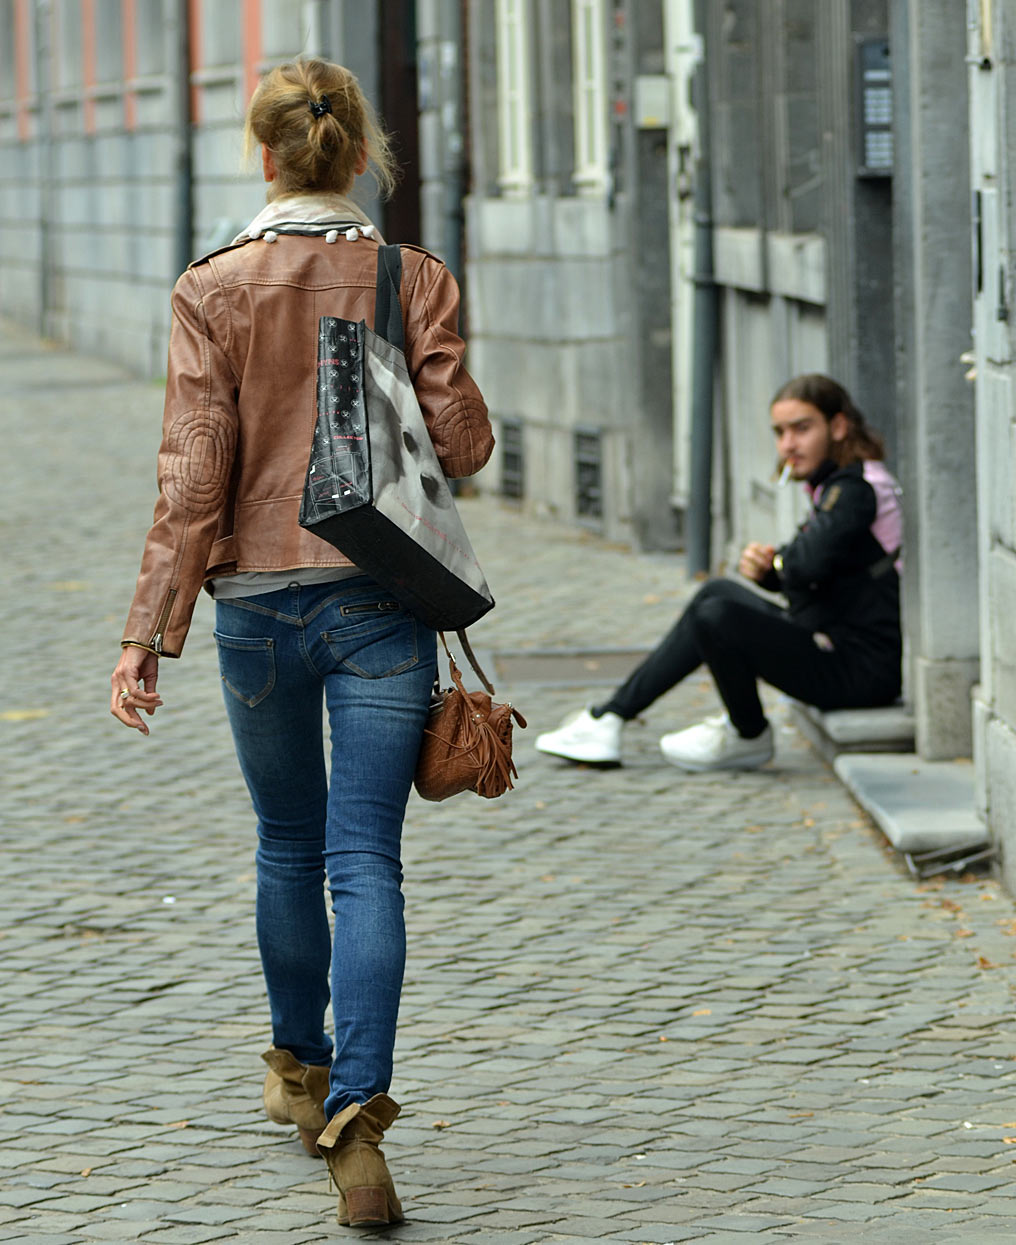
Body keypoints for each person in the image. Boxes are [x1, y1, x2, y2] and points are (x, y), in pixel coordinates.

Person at [109, 57, 493, 1229]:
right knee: (363, 862)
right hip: (379, 596)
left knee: (287, 845)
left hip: (259, 605)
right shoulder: (410, 274)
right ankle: (360, 1124)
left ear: (264, 156)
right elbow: (464, 444)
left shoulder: (211, 287)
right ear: (359, 153)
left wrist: (146, 635)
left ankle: (298, 1068)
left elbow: (194, 473)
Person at [535, 374, 902, 771]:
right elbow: (817, 571)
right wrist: (771, 570)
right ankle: (610, 717)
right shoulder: (840, 484)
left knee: (718, 617)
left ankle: (746, 733)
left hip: (860, 671)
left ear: (839, 426)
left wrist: (777, 562)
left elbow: (805, 565)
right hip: (835, 646)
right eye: (780, 432)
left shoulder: (856, 490)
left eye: (802, 429)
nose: (788, 445)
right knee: (716, 594)